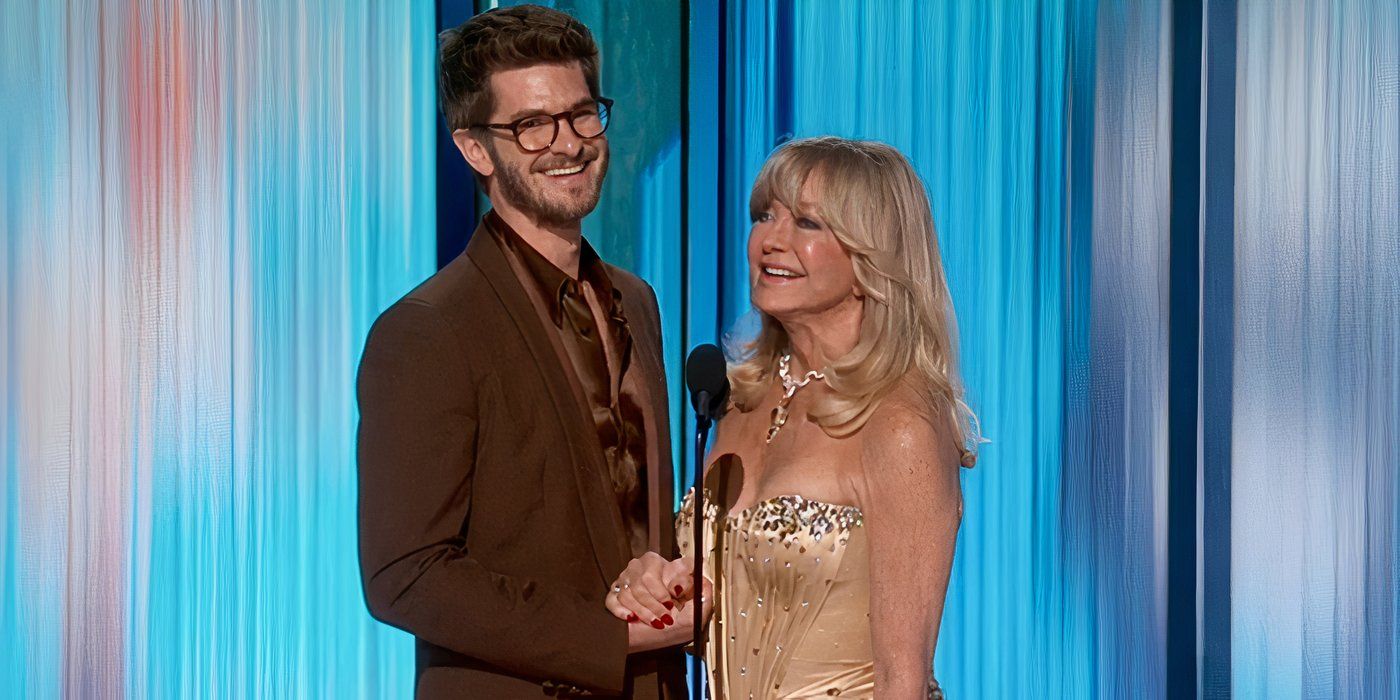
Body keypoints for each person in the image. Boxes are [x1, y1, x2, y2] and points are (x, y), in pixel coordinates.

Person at [356, 5, 691, 698]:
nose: (567, 143)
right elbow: (405, 575)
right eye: (532, 125)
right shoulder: (427, 331)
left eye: (581, 114)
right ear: (476, 149)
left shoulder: (636, 301)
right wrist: (611, 639)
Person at [605, 137, 978, 698]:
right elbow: (732, 599)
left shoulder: (900, 425)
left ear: (871, 258)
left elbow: (905, 677)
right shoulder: (737, 402)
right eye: (765, 216)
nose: (770, 240)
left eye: (806, 223)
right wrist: (656, 587)